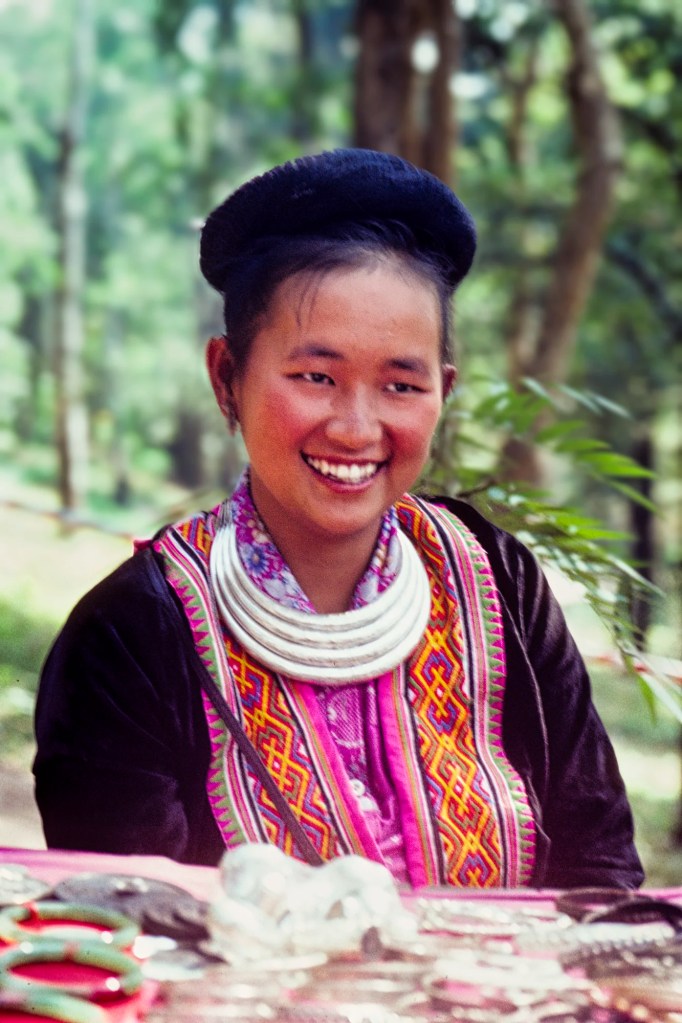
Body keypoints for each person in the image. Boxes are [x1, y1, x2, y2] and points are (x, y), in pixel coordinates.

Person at [33, 148, 643, 889]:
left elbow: (600, 872)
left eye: (401, 384)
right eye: (315, 377)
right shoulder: (131, 634)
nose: (357, 428)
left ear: (443, 391)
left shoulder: (500, 585)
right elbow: (132, 933)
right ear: (227, 376)